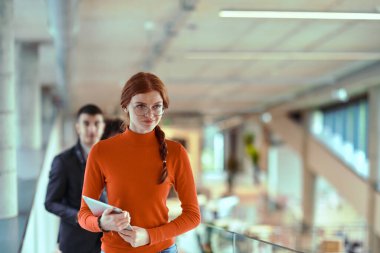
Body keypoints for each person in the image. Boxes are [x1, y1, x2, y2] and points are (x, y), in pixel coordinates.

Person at [78, 72, 201, 253]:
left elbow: (193, 216)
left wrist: (150, 236)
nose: (149, 114)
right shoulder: (101, 152)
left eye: (157, 106)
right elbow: (83, 215)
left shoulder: (176, 152)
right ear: (125, 106)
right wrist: (101, 223)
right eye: (141, 106)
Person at [45, 104, 106, 253]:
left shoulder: (110, 159)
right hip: (76, 242)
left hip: (105, 240)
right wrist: (78, 216)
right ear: (78, 127)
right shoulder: (63, 161)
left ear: (103, 127)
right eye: (86, 123)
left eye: (96, 123)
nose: (92, 129)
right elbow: (50, 202)